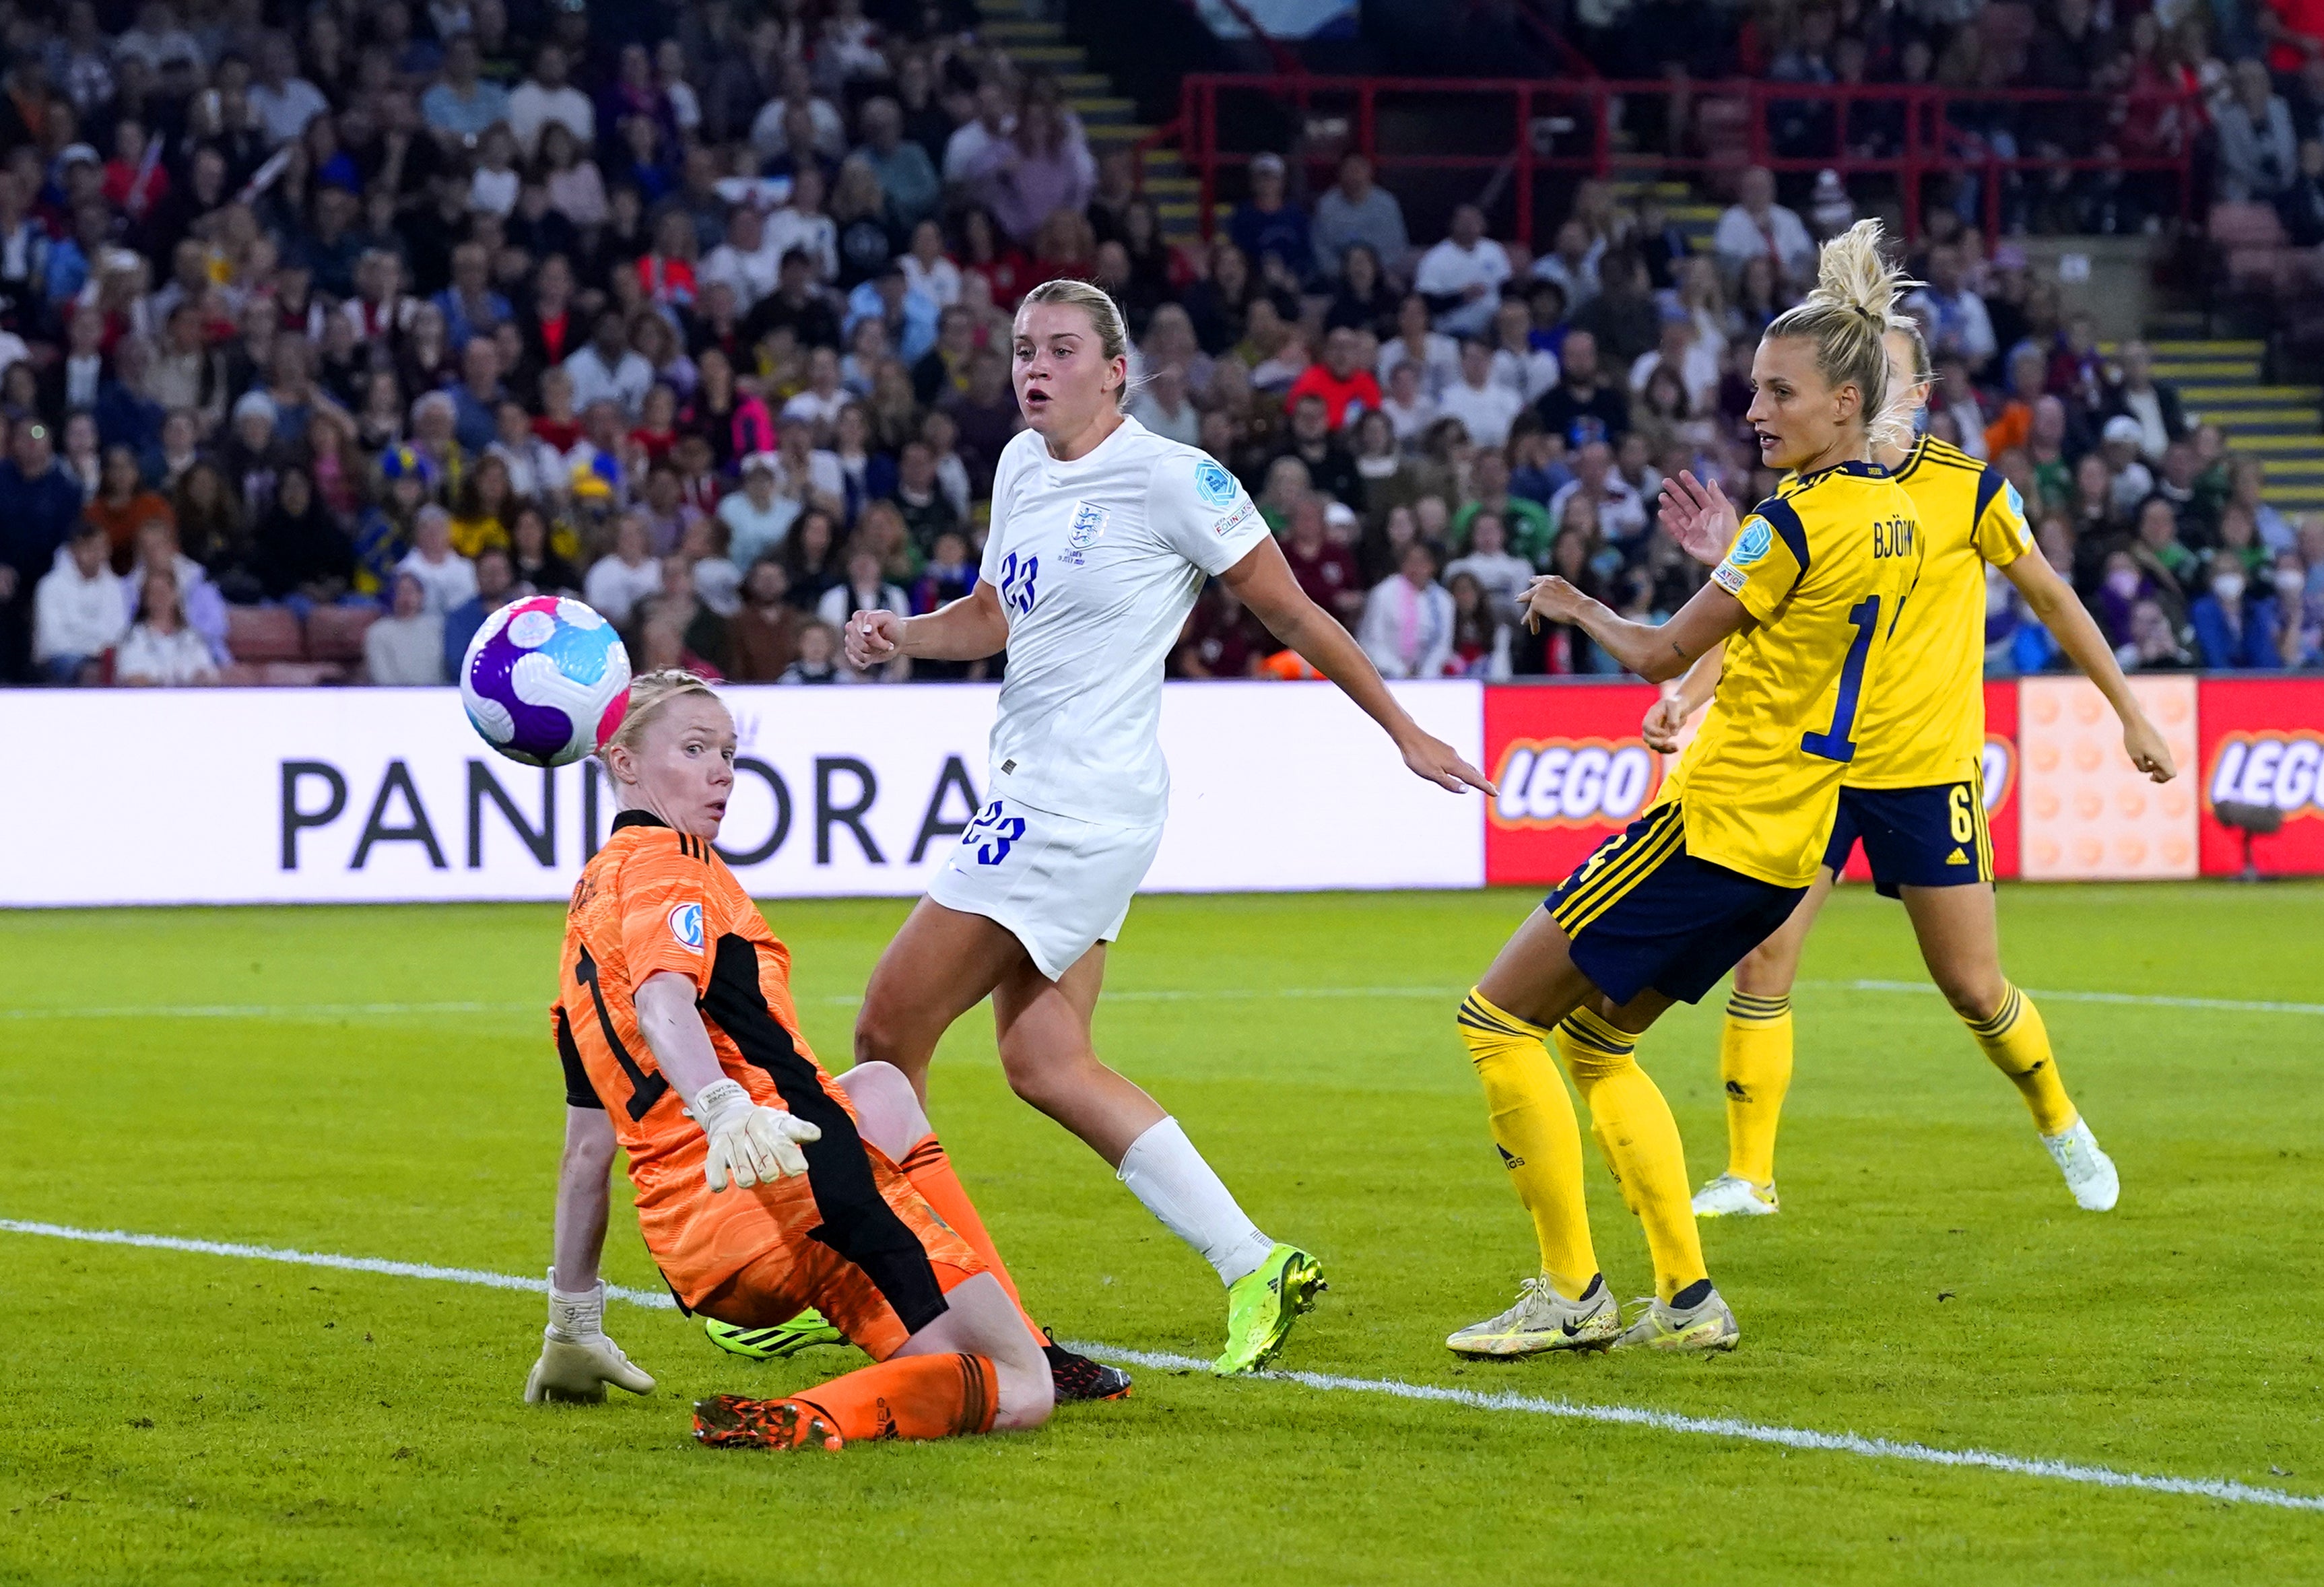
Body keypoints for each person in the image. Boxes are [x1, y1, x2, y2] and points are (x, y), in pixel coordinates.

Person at [838, 279, 1491, 1374]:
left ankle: (912, 1295)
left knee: (883, 1037)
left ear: (1116, 371)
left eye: (1057, 348)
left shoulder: (1172, 479)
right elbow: (999, 613)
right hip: (1047, 791)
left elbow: (1292, 610)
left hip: (1073, 801)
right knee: (1046, 1059)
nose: (1032, 366)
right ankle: (1253, 1261)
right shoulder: (1018, 467)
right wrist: (901, 631)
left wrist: (1402, 730)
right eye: (1019, 349)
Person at [1445, 222, 1927, 1360]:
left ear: (1848, 404)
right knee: (1597, 1048)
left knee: (1494, 1017)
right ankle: (1687, 1297)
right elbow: (1787, 615)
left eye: (1781, 393)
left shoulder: (1789, 524)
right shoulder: (1890, 519)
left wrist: (1576, 607)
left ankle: (1571, 1291)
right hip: (1788, 846)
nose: (1757, 411)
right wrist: (1727, 552)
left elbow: (1663, 656)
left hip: (1713, 824)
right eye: (1753, 389)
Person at [1655, 321, 2178, 1226]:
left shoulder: (1967, 489)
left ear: (1915, 392)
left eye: (1884, 372)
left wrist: (2129, 711)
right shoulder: (1807, 497)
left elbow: (2051, 596)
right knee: (1762, 958)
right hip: (1811, 769)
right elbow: (1763, 619)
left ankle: (2058, 1121)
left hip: (1923, 770)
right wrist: (1689, 692)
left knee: (1972, 985)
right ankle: (1749, 1176)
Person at [525, 671, 1075, 1449]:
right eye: (693, 748)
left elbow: (587, 1151)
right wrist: (723, 1106)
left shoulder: (586, 911)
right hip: (795, 1178)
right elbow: (664, 1000)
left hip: (700, 1246)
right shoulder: (671, 864)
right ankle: (811, 1413)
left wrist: (572, 1322)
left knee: (881, 1090)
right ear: (623, 760)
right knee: (1021, 1390)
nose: (722, 771)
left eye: (728, 751)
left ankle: (1001, 1327)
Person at [34, 521, 128, 683]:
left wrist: (99, 650)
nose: (97, 555)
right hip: (62, 659)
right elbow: (52, 640)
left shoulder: (115, 586)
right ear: (74, 551)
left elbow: (119, 632)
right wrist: (91, 650)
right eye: (90, 548)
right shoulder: (50, 586)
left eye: (102, 548)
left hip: (103, 657)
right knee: (89, 672)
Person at [114, 563, 216, 686]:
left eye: (163, 592)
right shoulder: (133, 638)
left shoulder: (191, 637)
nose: (159, 598)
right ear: (145, 599)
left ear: (175, 595)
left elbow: (207, 674)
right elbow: (132, 678)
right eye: (153, 593)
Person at [365, 571, 447, 685]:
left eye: (411, 592)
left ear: (421, 595)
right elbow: (382, 676)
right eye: (400, 592)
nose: (406, 597)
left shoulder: (438, 627)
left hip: (436, 694)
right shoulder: (378, 632)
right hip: (393, 697)